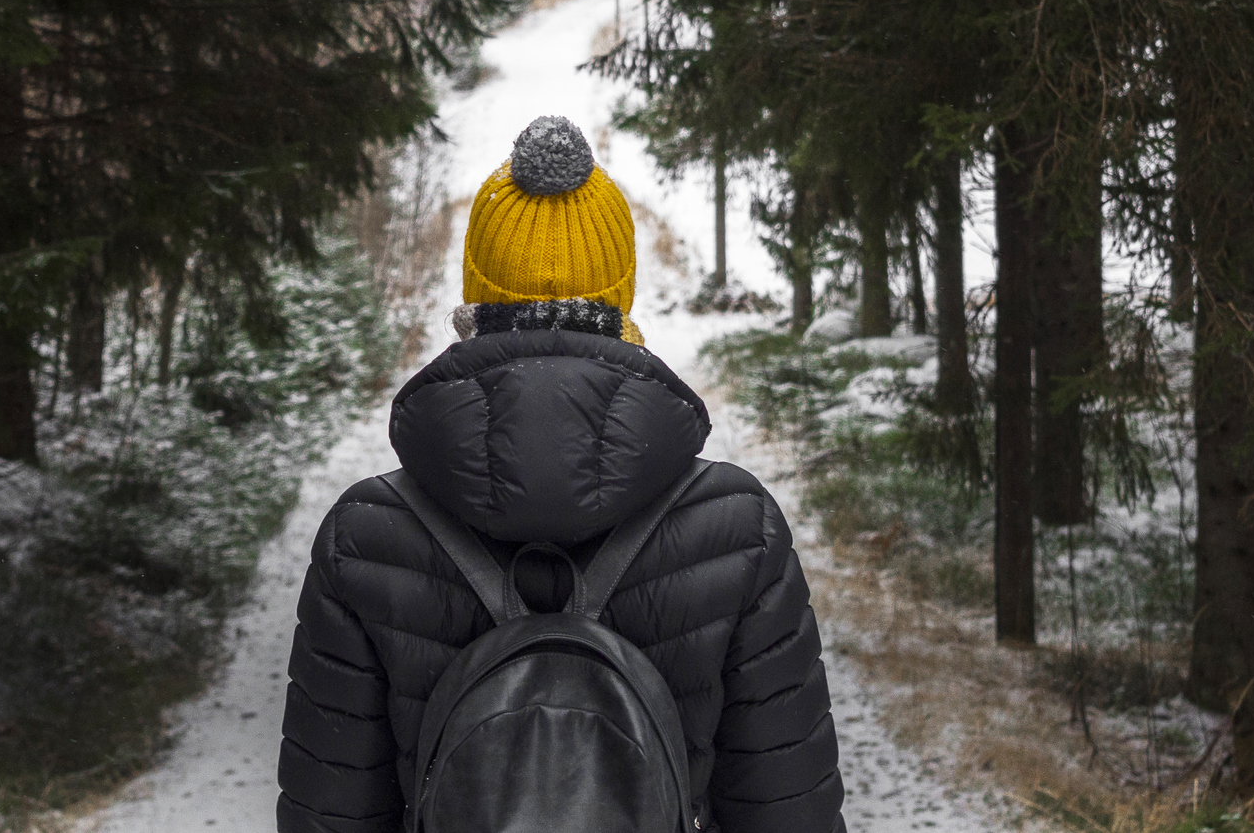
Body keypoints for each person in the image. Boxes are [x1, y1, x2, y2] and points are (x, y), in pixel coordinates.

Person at [276, 116, 844, 833]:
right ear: (621, 292)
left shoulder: (365, 536)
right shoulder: (736, 526)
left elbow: (329, 816)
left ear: (475, 295)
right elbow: (787, 811)